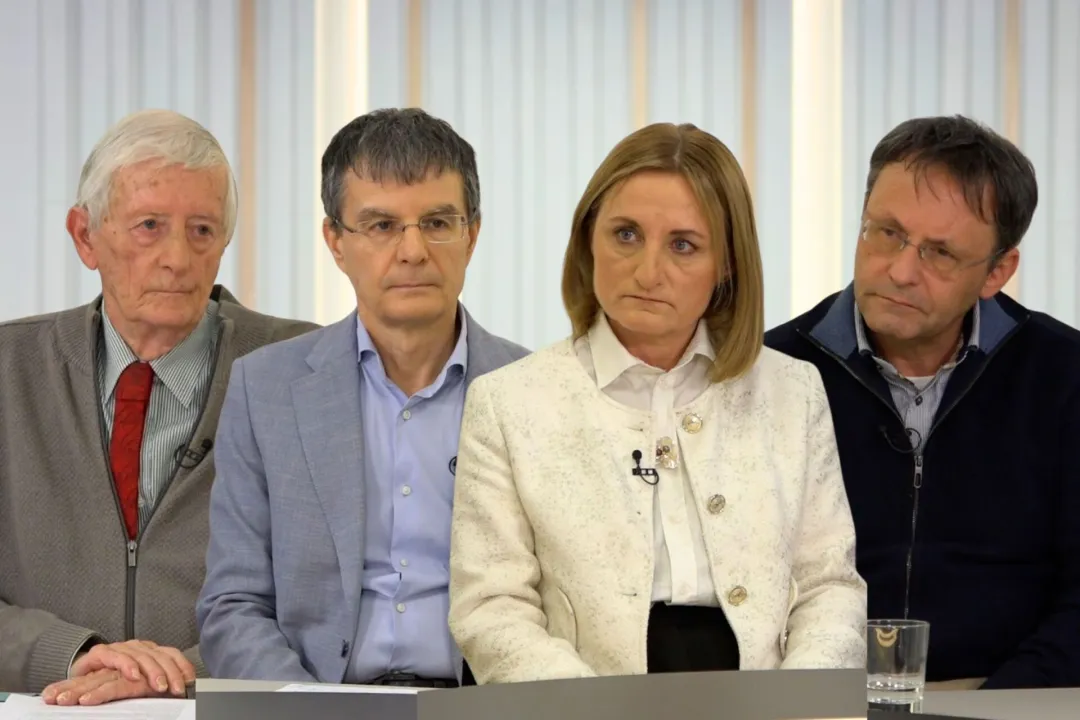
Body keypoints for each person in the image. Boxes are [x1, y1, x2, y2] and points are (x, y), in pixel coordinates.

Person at [447, 122, 867, 684]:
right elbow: (492, 609)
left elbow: (828, 587)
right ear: (588, 239)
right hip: (583, 701)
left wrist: (795, 706)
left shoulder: (794, 391)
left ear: (727, 264)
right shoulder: (507, 402)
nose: (648, 272)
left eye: (683, 245)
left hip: (767, 698)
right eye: (625, 235)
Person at [196, 108, 529, 686]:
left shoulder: (533, 390)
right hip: (317, 703)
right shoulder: (265, 390)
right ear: (335, 241)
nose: (413, 250)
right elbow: (234, 605)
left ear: (472, 235)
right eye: (381, 225)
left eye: (437, 222)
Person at [0, 109, 317, 703]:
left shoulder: (303, 369)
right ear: (85, 236)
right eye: (149, 226)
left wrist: (181, 672)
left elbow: (340, 590)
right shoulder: (8, 369)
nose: (178, 257)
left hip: (232, 707)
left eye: (202, 230)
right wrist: (72, 653)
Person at [765, 115, 1080, 689]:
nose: (901, 271)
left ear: (997, 271)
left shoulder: (1064, 376)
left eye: (939, 253)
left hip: (1010, 699)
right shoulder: (772, 373)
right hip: (815, 700)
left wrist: (997, 704)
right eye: (886, 232)